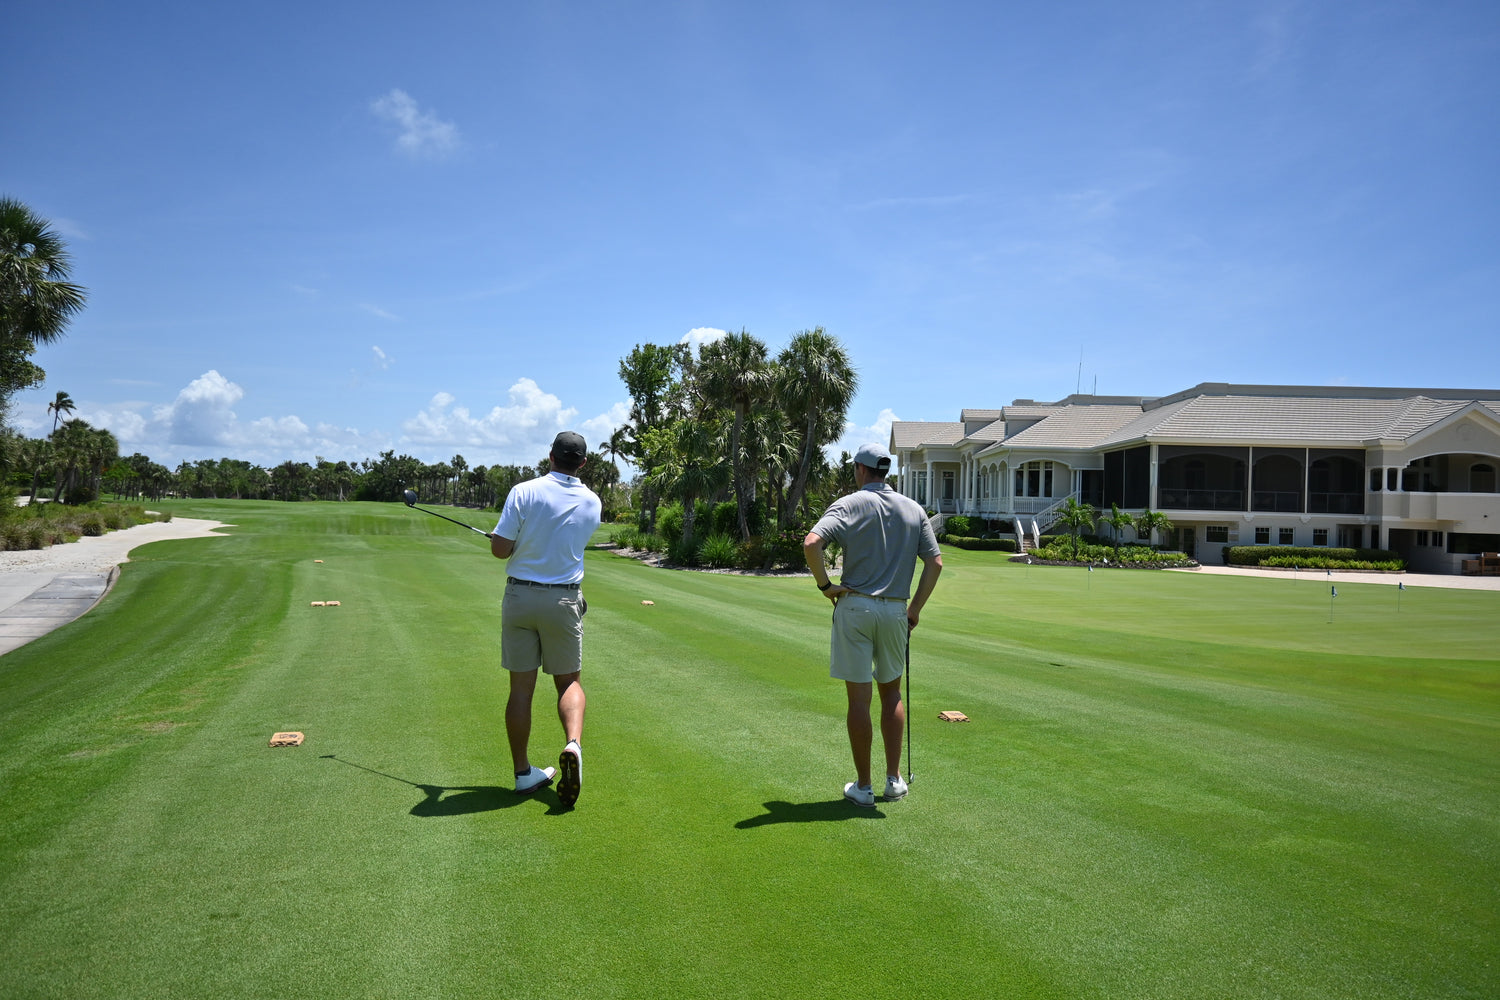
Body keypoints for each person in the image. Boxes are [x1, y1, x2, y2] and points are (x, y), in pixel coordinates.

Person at [803, 442, 942, 807]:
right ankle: (893, 780)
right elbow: (935, 563)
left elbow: (812, 543)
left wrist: (825, 586)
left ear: (861, 470)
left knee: (859, 698)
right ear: (887, 472)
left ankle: (863, 787)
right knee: (891, 693)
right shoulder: (913, 508)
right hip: (896, 610)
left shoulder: (850, 503)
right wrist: (915, 609)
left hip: (855, 607)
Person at [488, 431, 602, 806]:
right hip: (563, 601)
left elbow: (500, 550)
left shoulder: (524, 491)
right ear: (582, 463)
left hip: (520, 597)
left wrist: (503, 539)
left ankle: (523, 774)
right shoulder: (592, 501)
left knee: (521, 689)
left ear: (550, 456)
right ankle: (573, 744)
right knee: (568, 681)